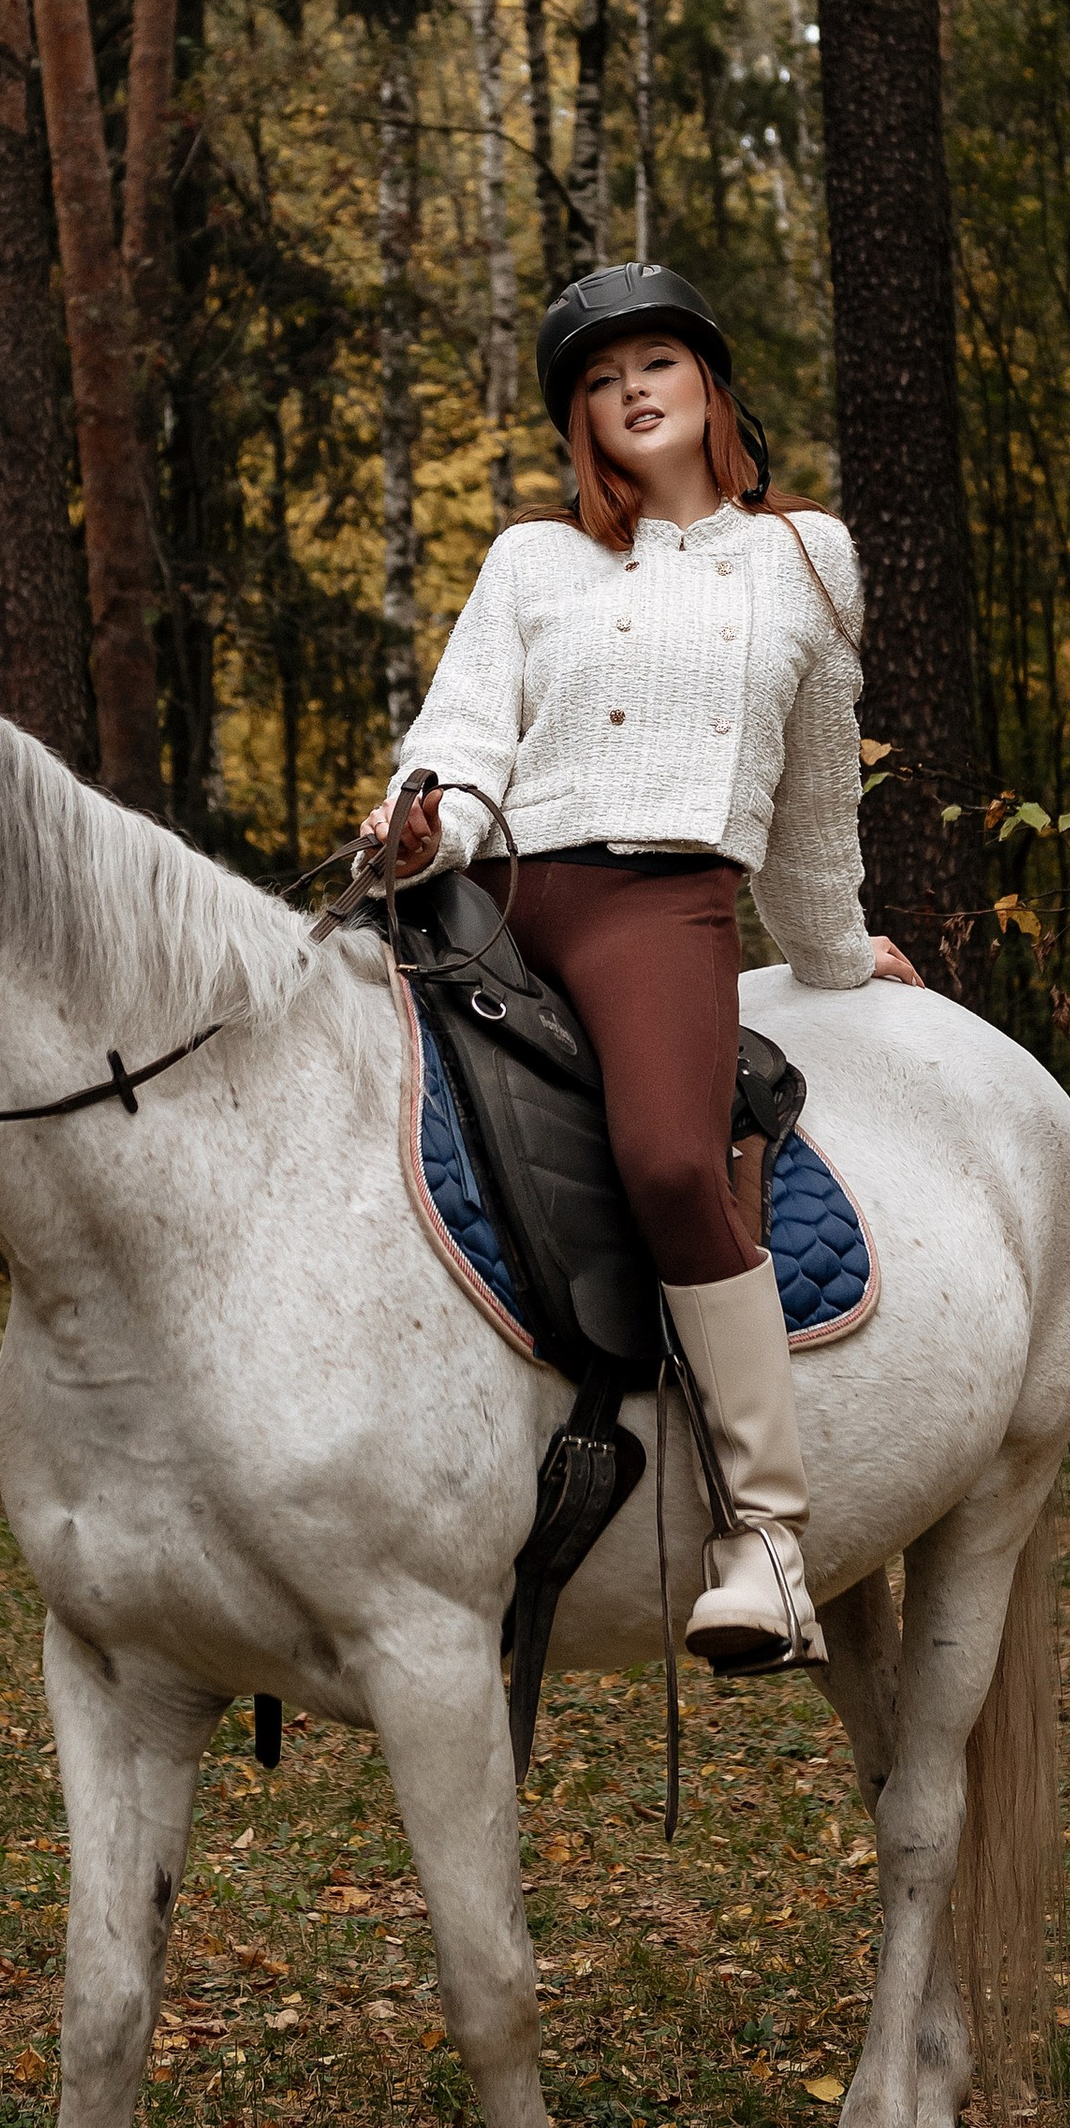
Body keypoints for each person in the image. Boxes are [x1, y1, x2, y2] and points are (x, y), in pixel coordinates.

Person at [361, 261, 920, 1674]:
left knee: (671, 1163)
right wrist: (418, 824)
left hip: (656, 907)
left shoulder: (807, 560)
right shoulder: (531, 561)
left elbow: (814, 804)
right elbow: (464, 735)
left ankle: (767, 1536)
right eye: (602, 382)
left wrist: (838, 952)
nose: (631, 393)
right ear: (582, 422)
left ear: (709, 385)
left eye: (655, 364)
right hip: (493, 895)